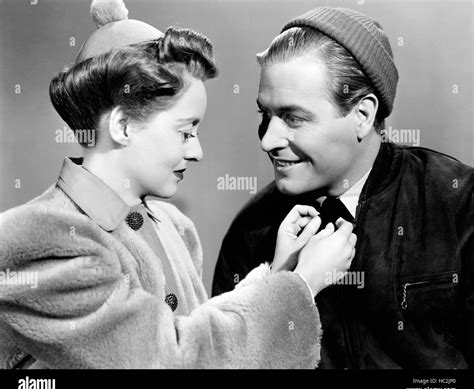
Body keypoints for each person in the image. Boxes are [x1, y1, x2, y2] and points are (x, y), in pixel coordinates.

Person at [0, 0, 357, 369]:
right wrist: (302, 285)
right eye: (185, 132)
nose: (198, 151)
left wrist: (280, 270)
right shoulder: (43, 240)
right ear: (123, 126)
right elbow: (170, 360)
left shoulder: (174, 227)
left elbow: (193, 333)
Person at [213, 6, 473, 369]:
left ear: (363, 116)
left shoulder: (459, 202)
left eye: (293, 117)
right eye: (265, 115)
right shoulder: (253, 230)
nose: (268, 139)